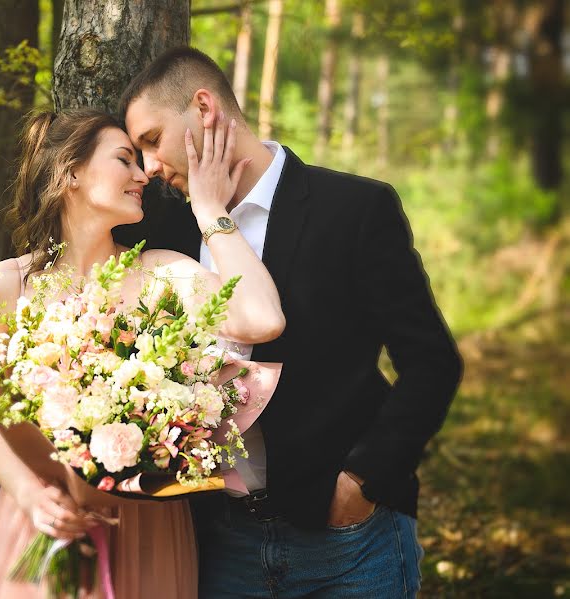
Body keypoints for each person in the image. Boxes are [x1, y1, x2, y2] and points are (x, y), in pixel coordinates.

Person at [118, 47, 463, 598]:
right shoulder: (165, 232)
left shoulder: (354, 208)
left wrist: (361, 483)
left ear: (204, 108)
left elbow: (431, 363)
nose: (150, 167)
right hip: (217, 543)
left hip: (351, 544)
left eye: (153, 140)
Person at [0, 108, 285, 598]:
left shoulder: (162, 272)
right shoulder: (5, 285)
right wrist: (33, 496)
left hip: (146, 529)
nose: (143, 175)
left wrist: (209, 211)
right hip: (47, 519)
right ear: (70, 172)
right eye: (124, 160)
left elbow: (263, 319)